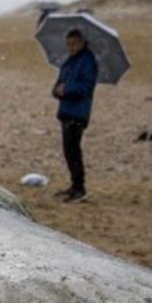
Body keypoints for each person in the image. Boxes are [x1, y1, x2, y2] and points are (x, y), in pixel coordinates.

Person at [52, 28, 98, 203]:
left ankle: (80, 188)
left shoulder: (88, 61)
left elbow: (86, 88)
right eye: (68, 44)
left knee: (73, 151)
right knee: (68, 151)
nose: (70, 47)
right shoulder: (69, 62)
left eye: (73, 44)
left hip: (78, 112)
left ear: (81, 43)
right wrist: (57, 90)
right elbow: (59, 84)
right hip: (66, 111)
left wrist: (67, 90)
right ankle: (74, 185)